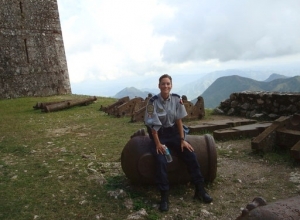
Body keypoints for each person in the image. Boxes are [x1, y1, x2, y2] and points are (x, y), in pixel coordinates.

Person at [144, 74, 213, 212]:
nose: (166, 86)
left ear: (171, 85)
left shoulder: (176, 99)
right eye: (163, 84)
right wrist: (157, 144)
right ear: (159, 86)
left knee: (190, 154)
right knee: (161, 160)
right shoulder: (152, 103)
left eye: (168, 83)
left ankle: (200, 189)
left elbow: (179, 121)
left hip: (174, 134)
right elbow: (152, 126)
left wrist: (182, 140)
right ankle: (164, 196)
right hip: (159, 135)